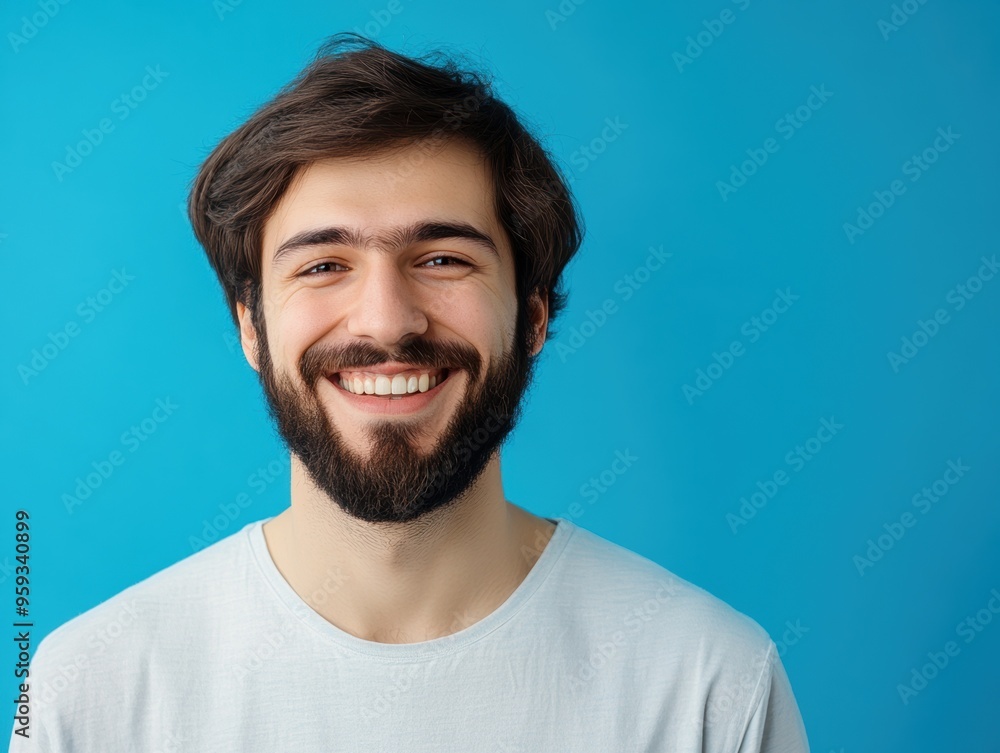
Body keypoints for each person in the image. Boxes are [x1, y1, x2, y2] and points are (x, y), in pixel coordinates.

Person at [11, 34, 810, 751]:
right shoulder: (88, 693)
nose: (388, 322)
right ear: (251, 328)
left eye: (442, 259)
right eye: (323, 265)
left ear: (530, 317)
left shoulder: (712, 687)